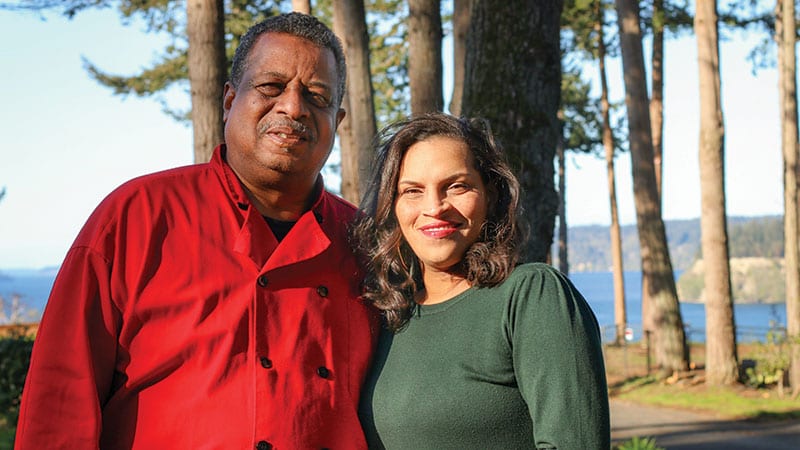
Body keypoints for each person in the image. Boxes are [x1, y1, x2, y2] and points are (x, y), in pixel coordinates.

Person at [15, 12, 379, 450]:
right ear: (229, 100)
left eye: (317, 95)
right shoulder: (136, 216)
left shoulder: (367, 243)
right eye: (271, 86)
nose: (293, 106)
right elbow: (59, 403)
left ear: (337, 121)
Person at [353, 112, 610, 449]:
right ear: (394, 206)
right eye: (412, 191)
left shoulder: (531, 296)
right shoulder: (390, 316)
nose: (434, 207)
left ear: (489, 193)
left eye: (456, 186)